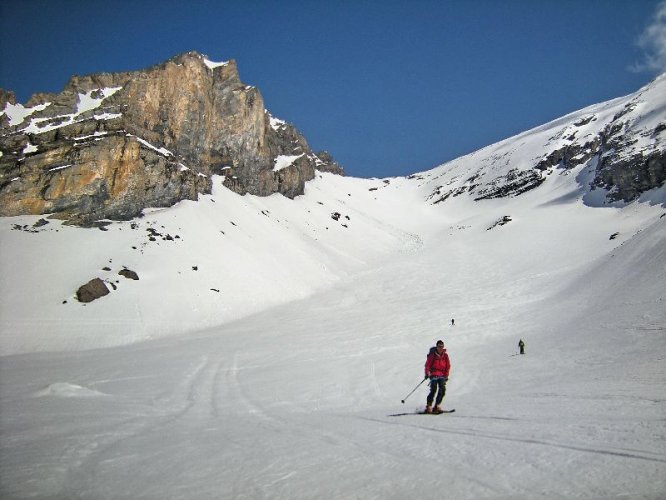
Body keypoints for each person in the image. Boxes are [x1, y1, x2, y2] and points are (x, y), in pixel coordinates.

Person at [424, 340, 451, 413]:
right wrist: (427, 373)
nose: (441, 348)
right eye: (439, 346)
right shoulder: (432, 355)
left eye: (442, 346)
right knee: (433, 389)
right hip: (433, 374)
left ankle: (437, 406)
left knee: (442, 389)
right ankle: (429, 406)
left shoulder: (445, 355)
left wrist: (446, 375)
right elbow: (427, 365)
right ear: (437, 347)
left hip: (442, 375)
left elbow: (447, 366)